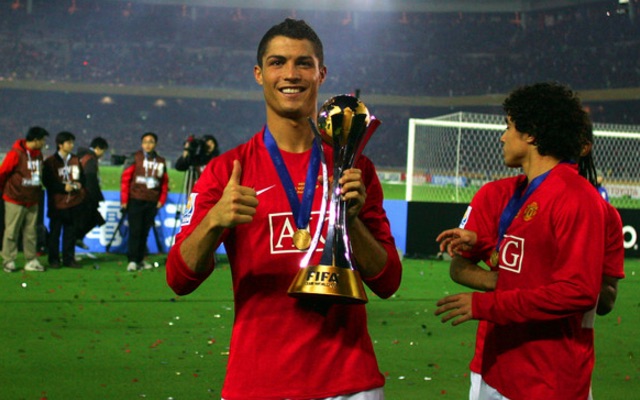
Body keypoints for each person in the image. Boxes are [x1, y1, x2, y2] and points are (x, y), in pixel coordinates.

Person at [165, 18, 402, 400]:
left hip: (349, 384)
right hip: (258, 384)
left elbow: (388, 282)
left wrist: (350, 221)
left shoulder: (355, 167)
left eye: (303, 63)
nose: (290, 74)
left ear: (321, 73)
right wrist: (213, 221)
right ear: (259, 74)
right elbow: (179, 278)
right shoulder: (228, 171)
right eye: (277, 62)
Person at [434, 82, 608, 399]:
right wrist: (480, 242)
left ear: (531, 134)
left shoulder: (575, 197)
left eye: (509, 126)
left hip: (548, 379)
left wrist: (487, 304)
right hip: (504, 368)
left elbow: (579, 292)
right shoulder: (529, 194)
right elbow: (525, 270)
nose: (502, 136)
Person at [0, 126, 49, 273]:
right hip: (15, 199)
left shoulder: (38, 155)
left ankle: (31, 260)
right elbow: (3, 173)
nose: (44, 143)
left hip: (32, 199)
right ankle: (9, 260)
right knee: (11, 231)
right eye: (42, 140)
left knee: (31, 232)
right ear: (35, 140)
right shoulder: (16, 154)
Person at [120, 132, 168, 272]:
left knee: (145, 232)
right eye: (145, 142)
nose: (148, 144)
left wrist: (161, 200)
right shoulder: (135, 158)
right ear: (141, 144)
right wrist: (124, 200)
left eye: (151, 142)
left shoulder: (160, 161)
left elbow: (164, 183)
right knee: (135, 231)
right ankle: (132, 260)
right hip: (136, 200)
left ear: (155, 144)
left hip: (151, 201)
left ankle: (140, 259)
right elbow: (125, 180)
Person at [42, 131, 85, 269]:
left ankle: (69, 258)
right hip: (57, 203)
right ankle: (54, 259)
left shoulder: (76, 160)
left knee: (71, 233)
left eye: (72, 142)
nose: (71, 145)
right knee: (55, 233)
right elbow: (47, 181)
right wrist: (62, 187)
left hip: (74, 202)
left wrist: (79, 184)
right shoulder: (50, 162)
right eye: (68, 142)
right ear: (60, 145)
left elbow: (82, 178)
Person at [74, 137, 109, 250]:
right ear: (98, 148)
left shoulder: (82, 156)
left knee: (93, 219)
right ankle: (76, 238)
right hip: (86, 196)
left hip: (78, 193)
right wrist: (96, 197)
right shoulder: (91, 159)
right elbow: (90, 179)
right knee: (94, 219)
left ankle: (76, 239)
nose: (103, 154)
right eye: (103, 150)